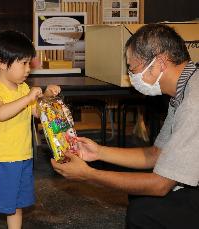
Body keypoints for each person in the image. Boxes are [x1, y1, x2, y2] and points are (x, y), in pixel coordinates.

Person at [51, 23, 199, 228]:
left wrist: (89, 175)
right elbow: (156, 154)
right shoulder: (183, 90)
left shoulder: (193, 103)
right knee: (139, 196)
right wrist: (98, 152)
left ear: (160, 63)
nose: (131, 76)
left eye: (132, 68)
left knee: (143, 213)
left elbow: (160, 185)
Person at [0, 30, 60, 229]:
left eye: (29, 63)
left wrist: (47, 96)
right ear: (3, 63)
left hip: (22, 157)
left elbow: (38, 113)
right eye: (23, 63)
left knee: (16, 206)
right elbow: (1, 113)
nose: (28, 69)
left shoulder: (22, 88)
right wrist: (28, 98)